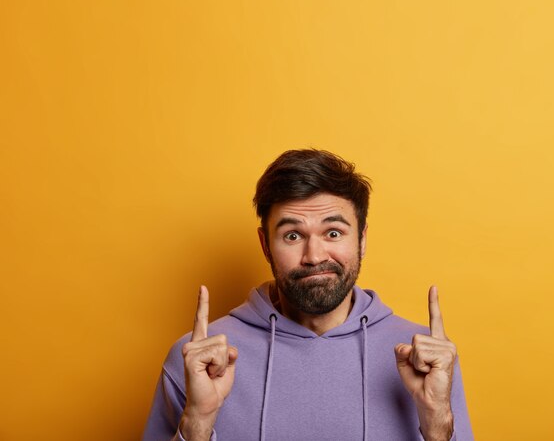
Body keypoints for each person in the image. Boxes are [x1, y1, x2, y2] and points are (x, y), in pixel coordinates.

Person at [143, 149, 473, 441]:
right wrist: (197, 424)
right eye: (292, 236)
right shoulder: (198, 359)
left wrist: (438, 426)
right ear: (265, 246)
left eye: (333, 232)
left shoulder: (427, 359)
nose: (314, 255)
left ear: (362, 240)